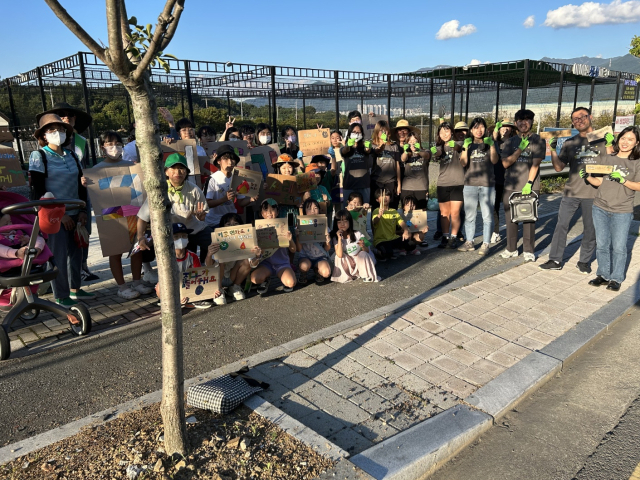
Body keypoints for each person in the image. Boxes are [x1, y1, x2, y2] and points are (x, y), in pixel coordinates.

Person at [29, 113, 94, 306]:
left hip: (76, 211)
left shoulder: (72, 155)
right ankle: (62, 295)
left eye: (61, 129)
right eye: (52, 130)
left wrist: (82, 210)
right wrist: (62, 214)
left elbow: (80, 183)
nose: (58, 133)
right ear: (44, 136)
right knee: (57, 255)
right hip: (53, 216)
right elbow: (39, 189)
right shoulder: (38, 156)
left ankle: (76, 289)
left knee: (77, 252)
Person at [539, 107, 605, 273]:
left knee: (590, 229)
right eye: (575, 119)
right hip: (571, 192)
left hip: (594, 193)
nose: (579, 120)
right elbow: (558, 167)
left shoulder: (602, 140)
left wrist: (610, 144)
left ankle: (584, 261)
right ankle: (555, 260)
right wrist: (552, 149)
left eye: (582, 117)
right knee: (561, 225)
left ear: (590, 117)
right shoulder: (570, 143)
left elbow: (612, 161)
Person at [89, 131, 153, 299]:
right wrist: (85, 183)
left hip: (134, 213)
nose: (114, 147)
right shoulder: (96, 170)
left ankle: (137, 281)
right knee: (115, 251)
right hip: (112, 215)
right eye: (109, 143)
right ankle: (122, 286)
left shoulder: (132, 165)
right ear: (102, 147)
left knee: (137, 249)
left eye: (117, 143)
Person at [582, 126, 640, 291]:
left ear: (636, 143)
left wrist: (623, 180)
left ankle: (616, 278)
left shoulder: (637, 162)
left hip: (622, 210)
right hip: (600, 207)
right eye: (623, 138)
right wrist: (589, 177)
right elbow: (601, 182)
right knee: (602, 244)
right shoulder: (609, 158)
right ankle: (603, 274)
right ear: (618, 138)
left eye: (630, 139)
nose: (625, 142)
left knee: (619, 247)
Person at [136, 153, 211, 263]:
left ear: (186, 171)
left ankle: (214, 270)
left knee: (216, 244)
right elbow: (142, 218)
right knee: (145, 250)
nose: (178, 172)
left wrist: (201, 216)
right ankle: (148, 270)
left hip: (193, 229)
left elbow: (201, 216)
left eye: (181, 168)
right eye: (173, 168)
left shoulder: (194, 190)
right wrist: (140, 237)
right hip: (170, 233)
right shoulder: (159, 192)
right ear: (166, 171)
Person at [500, 109, 546, 262]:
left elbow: (536, 163)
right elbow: (506, 163)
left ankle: (528, 250)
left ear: (531, 122)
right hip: (510, 187)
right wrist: (520, 149)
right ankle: (511, 248)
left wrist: (529, 183)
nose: (523, 122)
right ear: (515, 123)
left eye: (527, 120)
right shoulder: (510, 142)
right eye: (520, 120)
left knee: (529, 219)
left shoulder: (538, 140)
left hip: (529, 186)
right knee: (511, 219)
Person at [154, 223, 222, 309]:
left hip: (189, 286)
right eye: (176, 237)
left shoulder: (192, 256)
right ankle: (172, 302)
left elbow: (199, 275)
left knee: (211, 288)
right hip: (173, 286)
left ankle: (192, 300)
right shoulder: (166, 258)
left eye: (184, 236)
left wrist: (211, 290)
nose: (181, 239)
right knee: (160, 286)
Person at [458, 117, 499, 256]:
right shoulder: (468, 144)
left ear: (485, 129)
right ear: (471, 130)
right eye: (475, 127)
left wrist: (492, 144)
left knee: (487, 216)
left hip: (487, 185)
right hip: (470, 184)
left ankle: (486, 243)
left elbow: (494, 160)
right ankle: (469, 241)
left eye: (481, 127)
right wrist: (465, 146)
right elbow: (463, 163)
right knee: (470, 215)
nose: (479, 130)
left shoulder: (489, 143)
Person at [208, 213, 260, 302]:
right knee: (221, 260)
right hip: (217, 278)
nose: (232, 226)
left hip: (233, 276)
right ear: (222, 227)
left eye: (236, 224)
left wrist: (257, 256)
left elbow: (252, 264)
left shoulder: (246, 240)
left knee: (246, 260)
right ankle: (219, 290)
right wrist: (209, 254)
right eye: (228, 224)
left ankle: (235, 287)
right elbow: (209, 266)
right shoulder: (217, 242)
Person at [251, 199, 297, 294]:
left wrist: (290, 240)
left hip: (282, 263)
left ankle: (284, 277)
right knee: (255, 279)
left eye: (273, 209)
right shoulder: (257, 228)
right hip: (265, 263)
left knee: (290, 283)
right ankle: (265, 280)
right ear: (261, 213)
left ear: (277, 211)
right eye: (266, 210)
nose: (269, 213)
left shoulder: (283, 226)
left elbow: (293, 250)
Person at [205, 145, 256, 228]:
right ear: (218, 161)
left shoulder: (237, 178)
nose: (230, 162)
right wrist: (224, 199)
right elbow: (206, 204)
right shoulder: (212, 179)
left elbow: (240, 202)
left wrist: (251, 199)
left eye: (233, 159)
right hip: (215, 222)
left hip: (232, 221)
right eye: (225, 158)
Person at [432, 122, 464, 249]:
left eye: (447, 131)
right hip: (442, 183)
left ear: (452, 132)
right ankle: (445, 237)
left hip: (458, 183)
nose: (444, 134)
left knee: (455, 212)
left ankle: (454, 237)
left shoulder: (459, 143)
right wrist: (436, 152)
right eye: (441, 132)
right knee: (444, 213)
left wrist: (454, 145)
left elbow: (457, 147)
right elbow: (438, 154)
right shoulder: (439, 146)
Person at [330, 208, 379, 283]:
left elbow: (367, 251)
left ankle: (366, 275)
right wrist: (339, 239)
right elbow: (339, 255)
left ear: (350, 222)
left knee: (363, 253)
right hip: (349, 264)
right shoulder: (336, 238)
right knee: (338, 257)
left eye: (345, 221)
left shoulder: (358, 234)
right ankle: (345, 277)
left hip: (360, 262)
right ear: (336, 224)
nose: (342, 224)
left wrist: (363, 246)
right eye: (339, 222)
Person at [372, 188, 417, 260]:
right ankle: (376, 251)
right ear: (377, 200)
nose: (385, 198)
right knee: (387, 254)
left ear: (390, 198)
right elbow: (375, 221)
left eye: (387, 196)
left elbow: (401, 222)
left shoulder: (394, 211)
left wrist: (405, 231)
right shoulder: (376, 211)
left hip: (393, 238)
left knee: (411, 245)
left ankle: (394, 249)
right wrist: (379, 215)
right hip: (381, 240)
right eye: (382, 196)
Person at [490, 120, 516, 244]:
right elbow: (493, 139)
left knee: (509, 207)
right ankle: (496, 232)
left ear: (512, 129)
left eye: (508, 127)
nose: (505, 129)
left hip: (511, 179)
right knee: (494, 206)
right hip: (496, 178)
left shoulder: (514, 142)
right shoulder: (495, 142)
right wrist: (496, 129)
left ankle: (512, 232)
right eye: (502, 127)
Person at [295, 198, 332, 284]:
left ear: (319, 210)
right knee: (304, 266)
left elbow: (327, 248)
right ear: (304, 211)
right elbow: (299, 249)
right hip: (305, 257)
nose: (313, 211)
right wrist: (297, 236)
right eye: (309, 208)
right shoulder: (300, 226)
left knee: (326, 273)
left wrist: (327, 240)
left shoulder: (324, 226)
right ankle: (303, 273)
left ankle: (317, 270)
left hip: (320, 257)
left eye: (315, 208)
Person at [340, 123, 374, 204]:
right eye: (354, 132)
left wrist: (368, 148)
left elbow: (368, 151)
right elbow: (345, 151)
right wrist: (348, 145)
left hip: (364, 185)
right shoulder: (345, 149)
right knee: (348, 210)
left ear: (362, 134)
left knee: (364, 211)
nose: (356, 134)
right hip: (349, 185)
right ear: (349, 134)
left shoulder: (365, 148)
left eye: (359, 132)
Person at [370, 121, 401, 209]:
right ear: (376, 132)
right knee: (376, 208)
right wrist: (382, 144)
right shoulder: (373, 145)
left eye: (385, 130)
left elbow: (397, 165)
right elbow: (376, 151)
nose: (383, 133)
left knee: (391, 207)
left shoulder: (394, 146)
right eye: (381, 131)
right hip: (376, 181)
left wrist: (399, 184)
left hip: (390, 181)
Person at [400, 131, 431, 210]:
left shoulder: (425, 151)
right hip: (407, 188)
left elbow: (427, 156)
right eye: (410, 142)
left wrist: (419, 150)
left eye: (415, 141)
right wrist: (406, 151)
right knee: (406, 213)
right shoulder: (407, 154)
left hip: (421, 187)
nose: (412, 144)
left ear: (419, 141)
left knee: (421, 213)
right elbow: (403, 159)